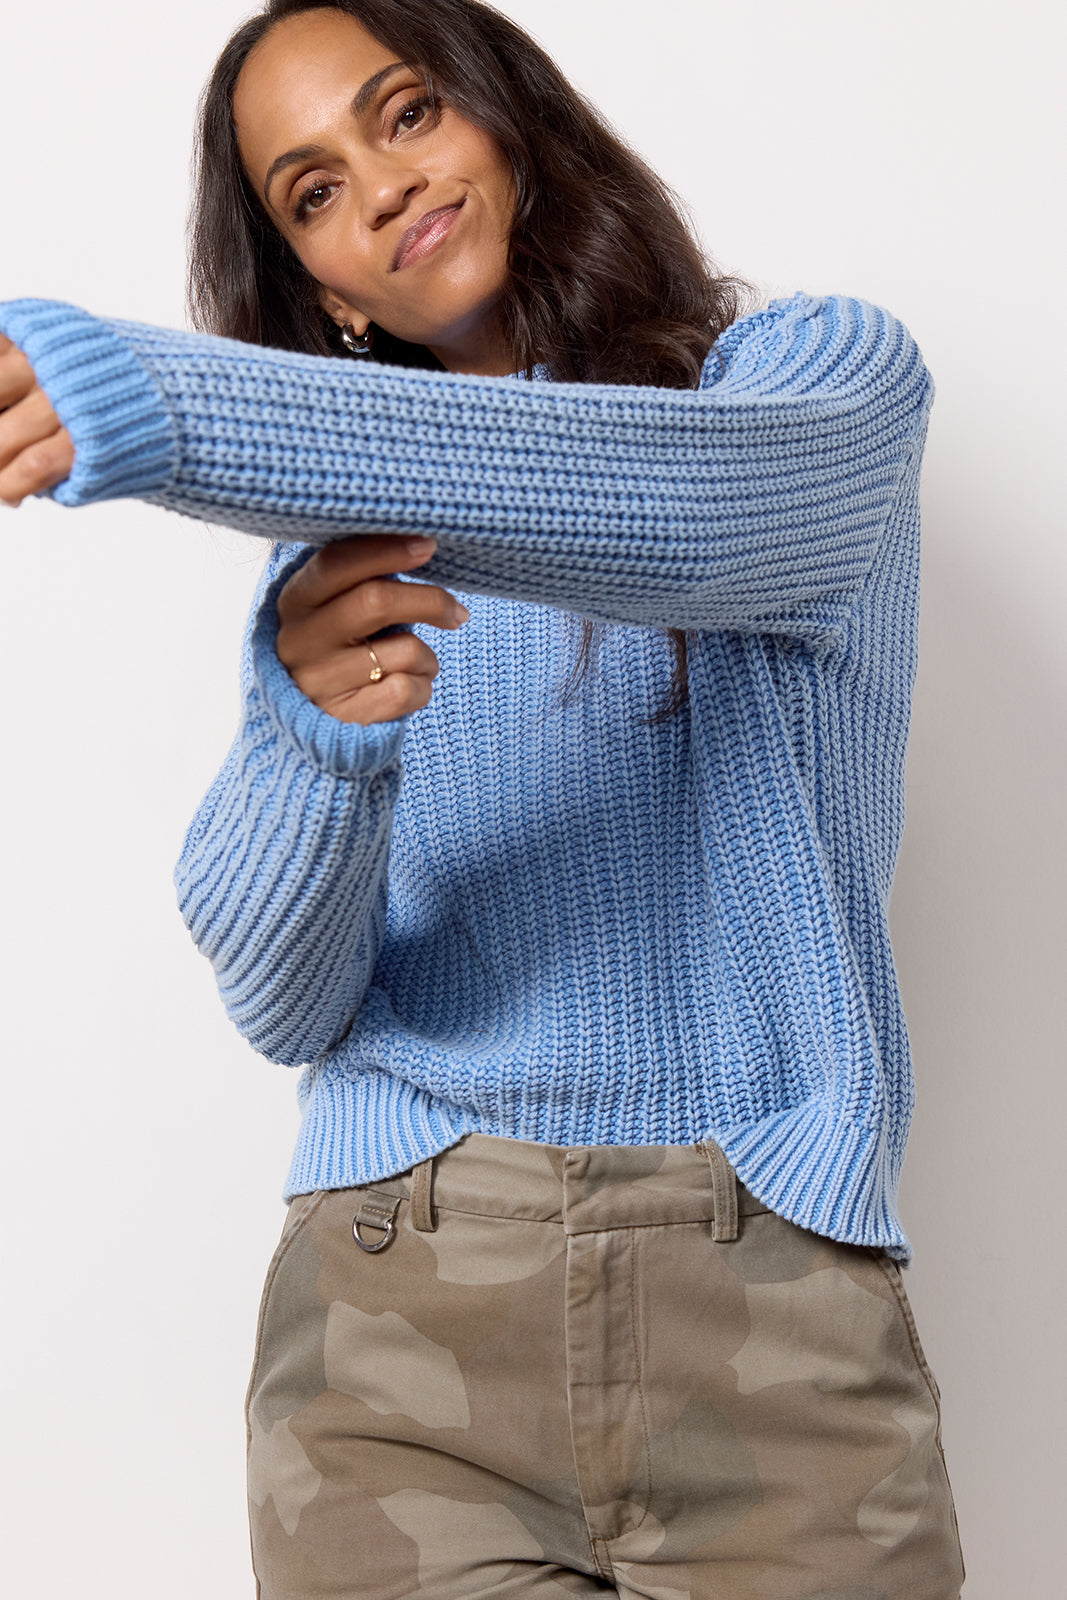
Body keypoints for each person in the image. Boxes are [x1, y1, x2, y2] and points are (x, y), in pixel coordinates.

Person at [0, 1, 966, 1594]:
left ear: (509, 120)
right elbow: (288, 1003)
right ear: (325, 289)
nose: (382, 185)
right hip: (399, 1320)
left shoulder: (808, 379)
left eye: (406, 114)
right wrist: (314, 738)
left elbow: (695, 514)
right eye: (314, 192)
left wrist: (170, 405)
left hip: (774, 1297)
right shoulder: (338, 558)